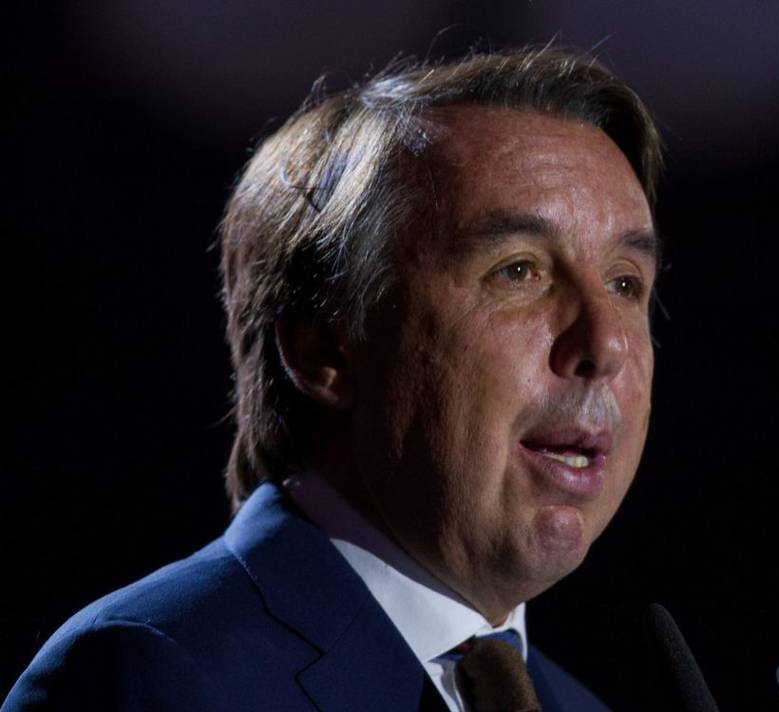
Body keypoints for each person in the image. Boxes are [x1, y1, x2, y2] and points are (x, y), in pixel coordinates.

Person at [4, 47, 663, 711]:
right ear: (323, 348)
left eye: (625, 283)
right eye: (518, 271)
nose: (606, 344)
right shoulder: (160, 676)